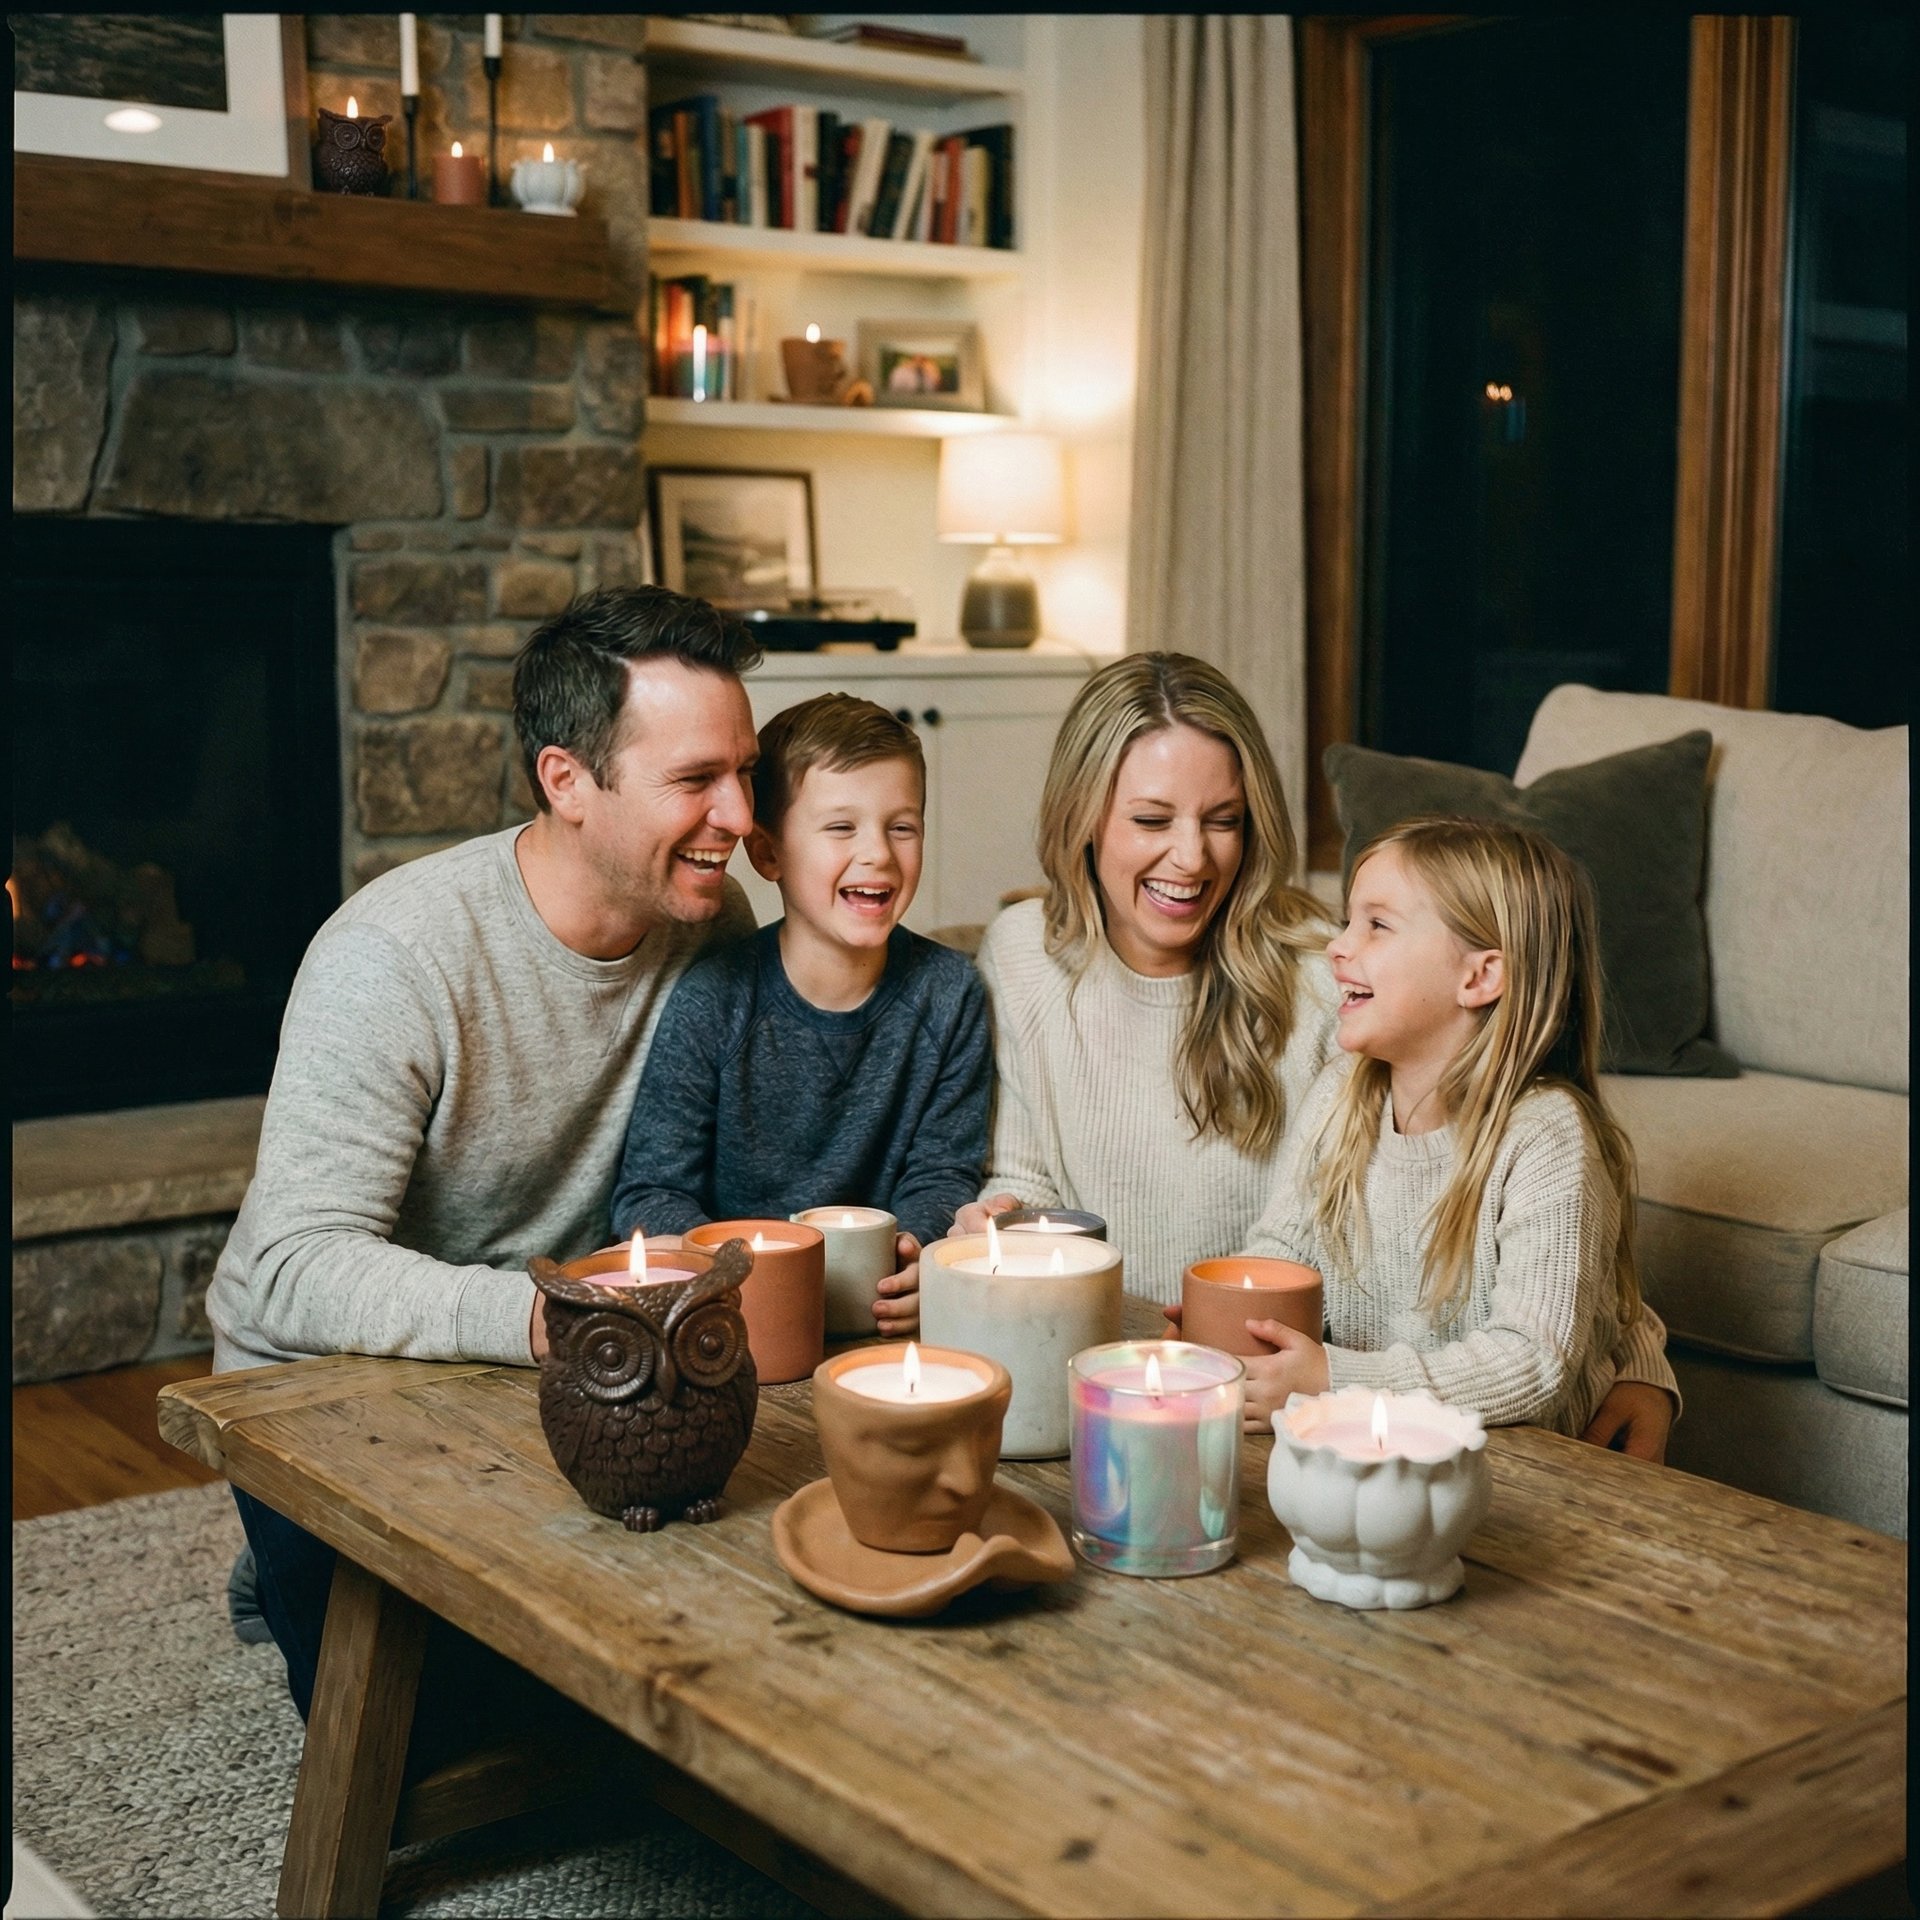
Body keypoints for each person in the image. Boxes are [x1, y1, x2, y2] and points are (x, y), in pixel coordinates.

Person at [205, 586, 762, 1740]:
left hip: (583, 1366)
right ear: (567, 780)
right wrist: (552, 1321)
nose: (741, 815)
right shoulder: (392, 957)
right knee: (437, 1744)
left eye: (745, 773)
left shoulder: (713, 920)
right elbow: (293, 1268)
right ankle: (284, 1556)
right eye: (696, 779)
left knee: (702, 1680)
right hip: (336, 1380)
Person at [957, 652, 1678, 1459]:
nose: (1192, 858)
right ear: (1082, 816)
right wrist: (989, 1238)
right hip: (1186, 1374)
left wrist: (1638, 1362)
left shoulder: (1327, 976)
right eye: (1153, 821)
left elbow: (1537, 1217)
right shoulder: (1020, 954)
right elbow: (1031, 1182)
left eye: (1224, 820)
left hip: (1306, 1395)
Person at [1222, 816, 1647, 1436]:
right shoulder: (1341, 1094)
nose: (1338, 946)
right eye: (1347, 921)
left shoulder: (1545, 1136)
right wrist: (1228, 1327)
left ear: (1479, 977)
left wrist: (1335, 1379)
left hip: (1516, 1463)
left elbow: (1532, 1360)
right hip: (1372, 1440)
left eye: (1377, 925)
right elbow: (1280, 1250)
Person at [611, 694, 990, 1333]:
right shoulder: (713, 1001)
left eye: (902, 827)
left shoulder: (950, 995)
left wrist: (919, 1251)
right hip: (736, 1314)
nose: (878, 853)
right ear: (768, 853)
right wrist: (726, 1272)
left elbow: (943, 1173)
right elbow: (652, 1192)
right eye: (841, 828)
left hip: (880, 1314)